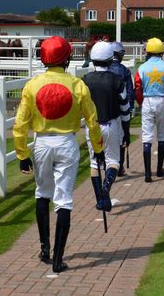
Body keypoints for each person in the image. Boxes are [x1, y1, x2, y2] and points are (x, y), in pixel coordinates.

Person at [13, 36, 104, 273]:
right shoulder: (77, 85)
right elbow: (92, 121)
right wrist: (98, 149)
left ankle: (44, 248)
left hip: (41, 143)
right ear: (66, 58)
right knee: (64, 200)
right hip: (67, 143)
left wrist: (22, 154)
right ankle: (58, 258)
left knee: (42, 193)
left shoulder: (32, 85)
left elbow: (20, 123)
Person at [83, 42, 130, 212]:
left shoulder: (85, 80)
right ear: (111, 59)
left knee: (95, 164)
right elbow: (125, 108)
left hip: (92, 126)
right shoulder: (117, 80)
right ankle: (106, 189)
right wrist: (126, 131)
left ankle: (100, 200)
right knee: (113, 161)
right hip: (112, 124)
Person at [135, 37, 164, 182]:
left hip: (147, 101)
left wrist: (141, 103)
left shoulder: (141, 68)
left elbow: (138, 88)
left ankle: (147, 174)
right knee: (162, 136)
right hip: (162, 101)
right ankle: (159, 170)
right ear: (161, 51)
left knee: (147, 137)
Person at [109, 41, 135, 176]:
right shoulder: (124, 70)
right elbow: (130, 91)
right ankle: (120, 166)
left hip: (107, 109)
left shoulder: (105, 69)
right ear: (118, 55)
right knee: (123, 138)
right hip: (122, 108)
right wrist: (130, 108)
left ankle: (109, 166)